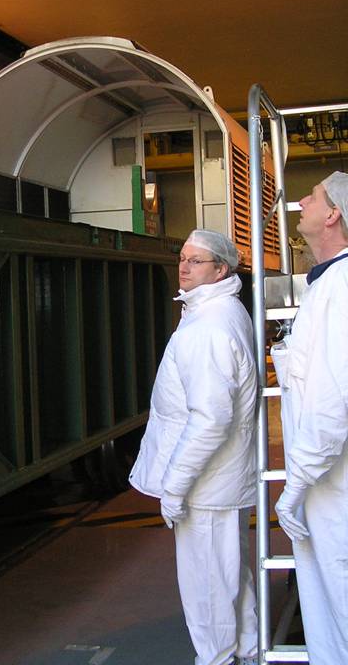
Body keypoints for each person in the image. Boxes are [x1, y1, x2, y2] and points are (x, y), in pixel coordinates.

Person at [271, 171, 348, 665]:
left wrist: (297, 484)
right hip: (344, 467)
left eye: (313, 196)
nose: (301, 202)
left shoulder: (344, 285)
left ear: (333, 214)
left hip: (339, 474)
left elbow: (333, 400)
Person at [129, 229, 259, 665]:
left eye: (196, 260)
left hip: (207, 488)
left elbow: (210, 420)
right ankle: (247, 650)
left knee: (208, 587)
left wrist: (176, 485)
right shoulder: (218, 312)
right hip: (221, 482)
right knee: (230, 575)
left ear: (221, 269)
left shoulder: (208, 329)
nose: (184, 266)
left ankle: (218, 659)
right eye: (182, 257)